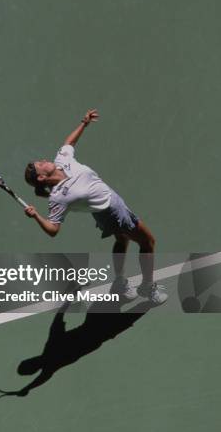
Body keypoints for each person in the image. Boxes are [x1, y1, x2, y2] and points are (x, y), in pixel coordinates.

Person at [24, 109, 167, 305]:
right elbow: (53, 230)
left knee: (121, 240)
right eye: (40, 163)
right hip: (113, 212)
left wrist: (84, 123)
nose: (43, 160)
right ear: (42, 177)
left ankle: (119, 283)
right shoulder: (58, 197)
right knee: (148, 242)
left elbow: (69, 143)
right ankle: (148, 287)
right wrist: (36, 216)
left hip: (103, 209)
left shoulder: (61, 162)